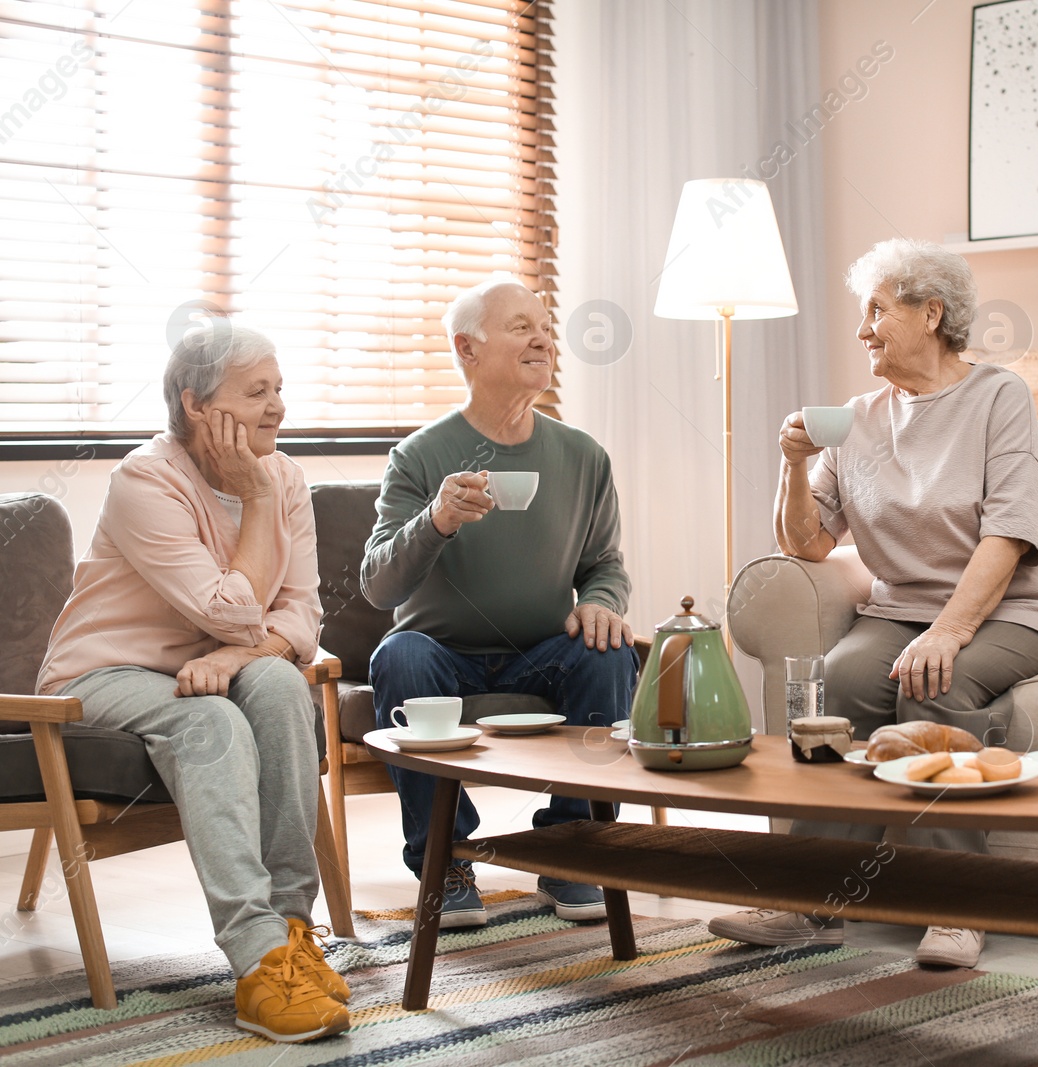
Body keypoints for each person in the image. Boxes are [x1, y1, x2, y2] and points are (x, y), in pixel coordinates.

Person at [709, 238, 1038, 969]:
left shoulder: (997, 396)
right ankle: (808, 900)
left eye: (877, 311)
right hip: (903, 609)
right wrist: (792, 466)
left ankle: (957, 902)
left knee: (938, 680)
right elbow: (808, 544)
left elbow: (1013, 529)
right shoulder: (854, 419)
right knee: (842, 685)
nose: (863, 331)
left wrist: (951, 629)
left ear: (932, 313)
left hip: (1027, 605)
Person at [36, 324, 348, 1044]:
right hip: (105, 670)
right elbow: (227, 610)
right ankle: (256, 955)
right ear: (197, 404)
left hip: (217, 663)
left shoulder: (289, 473)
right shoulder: (146, 479)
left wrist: (239, 660)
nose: (277, 407)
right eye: (257, 391)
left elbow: (301, 611)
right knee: (213, 721)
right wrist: (259, 501)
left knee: (275, 687)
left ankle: (293, 930)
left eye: (279, 388)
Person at [361, 274, 636, 928]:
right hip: (443, 657)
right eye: (521, 326)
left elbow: (606, 566)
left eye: (545, 326)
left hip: (539, 655)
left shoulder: (582, 456)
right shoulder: (419, 456)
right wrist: (436, 520)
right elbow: (378, 584)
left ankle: (574, 850)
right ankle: (445, 861)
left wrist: (602, 600)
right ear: (468, 349)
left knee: (607, 652)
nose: (543, 337)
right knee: (400, 656)